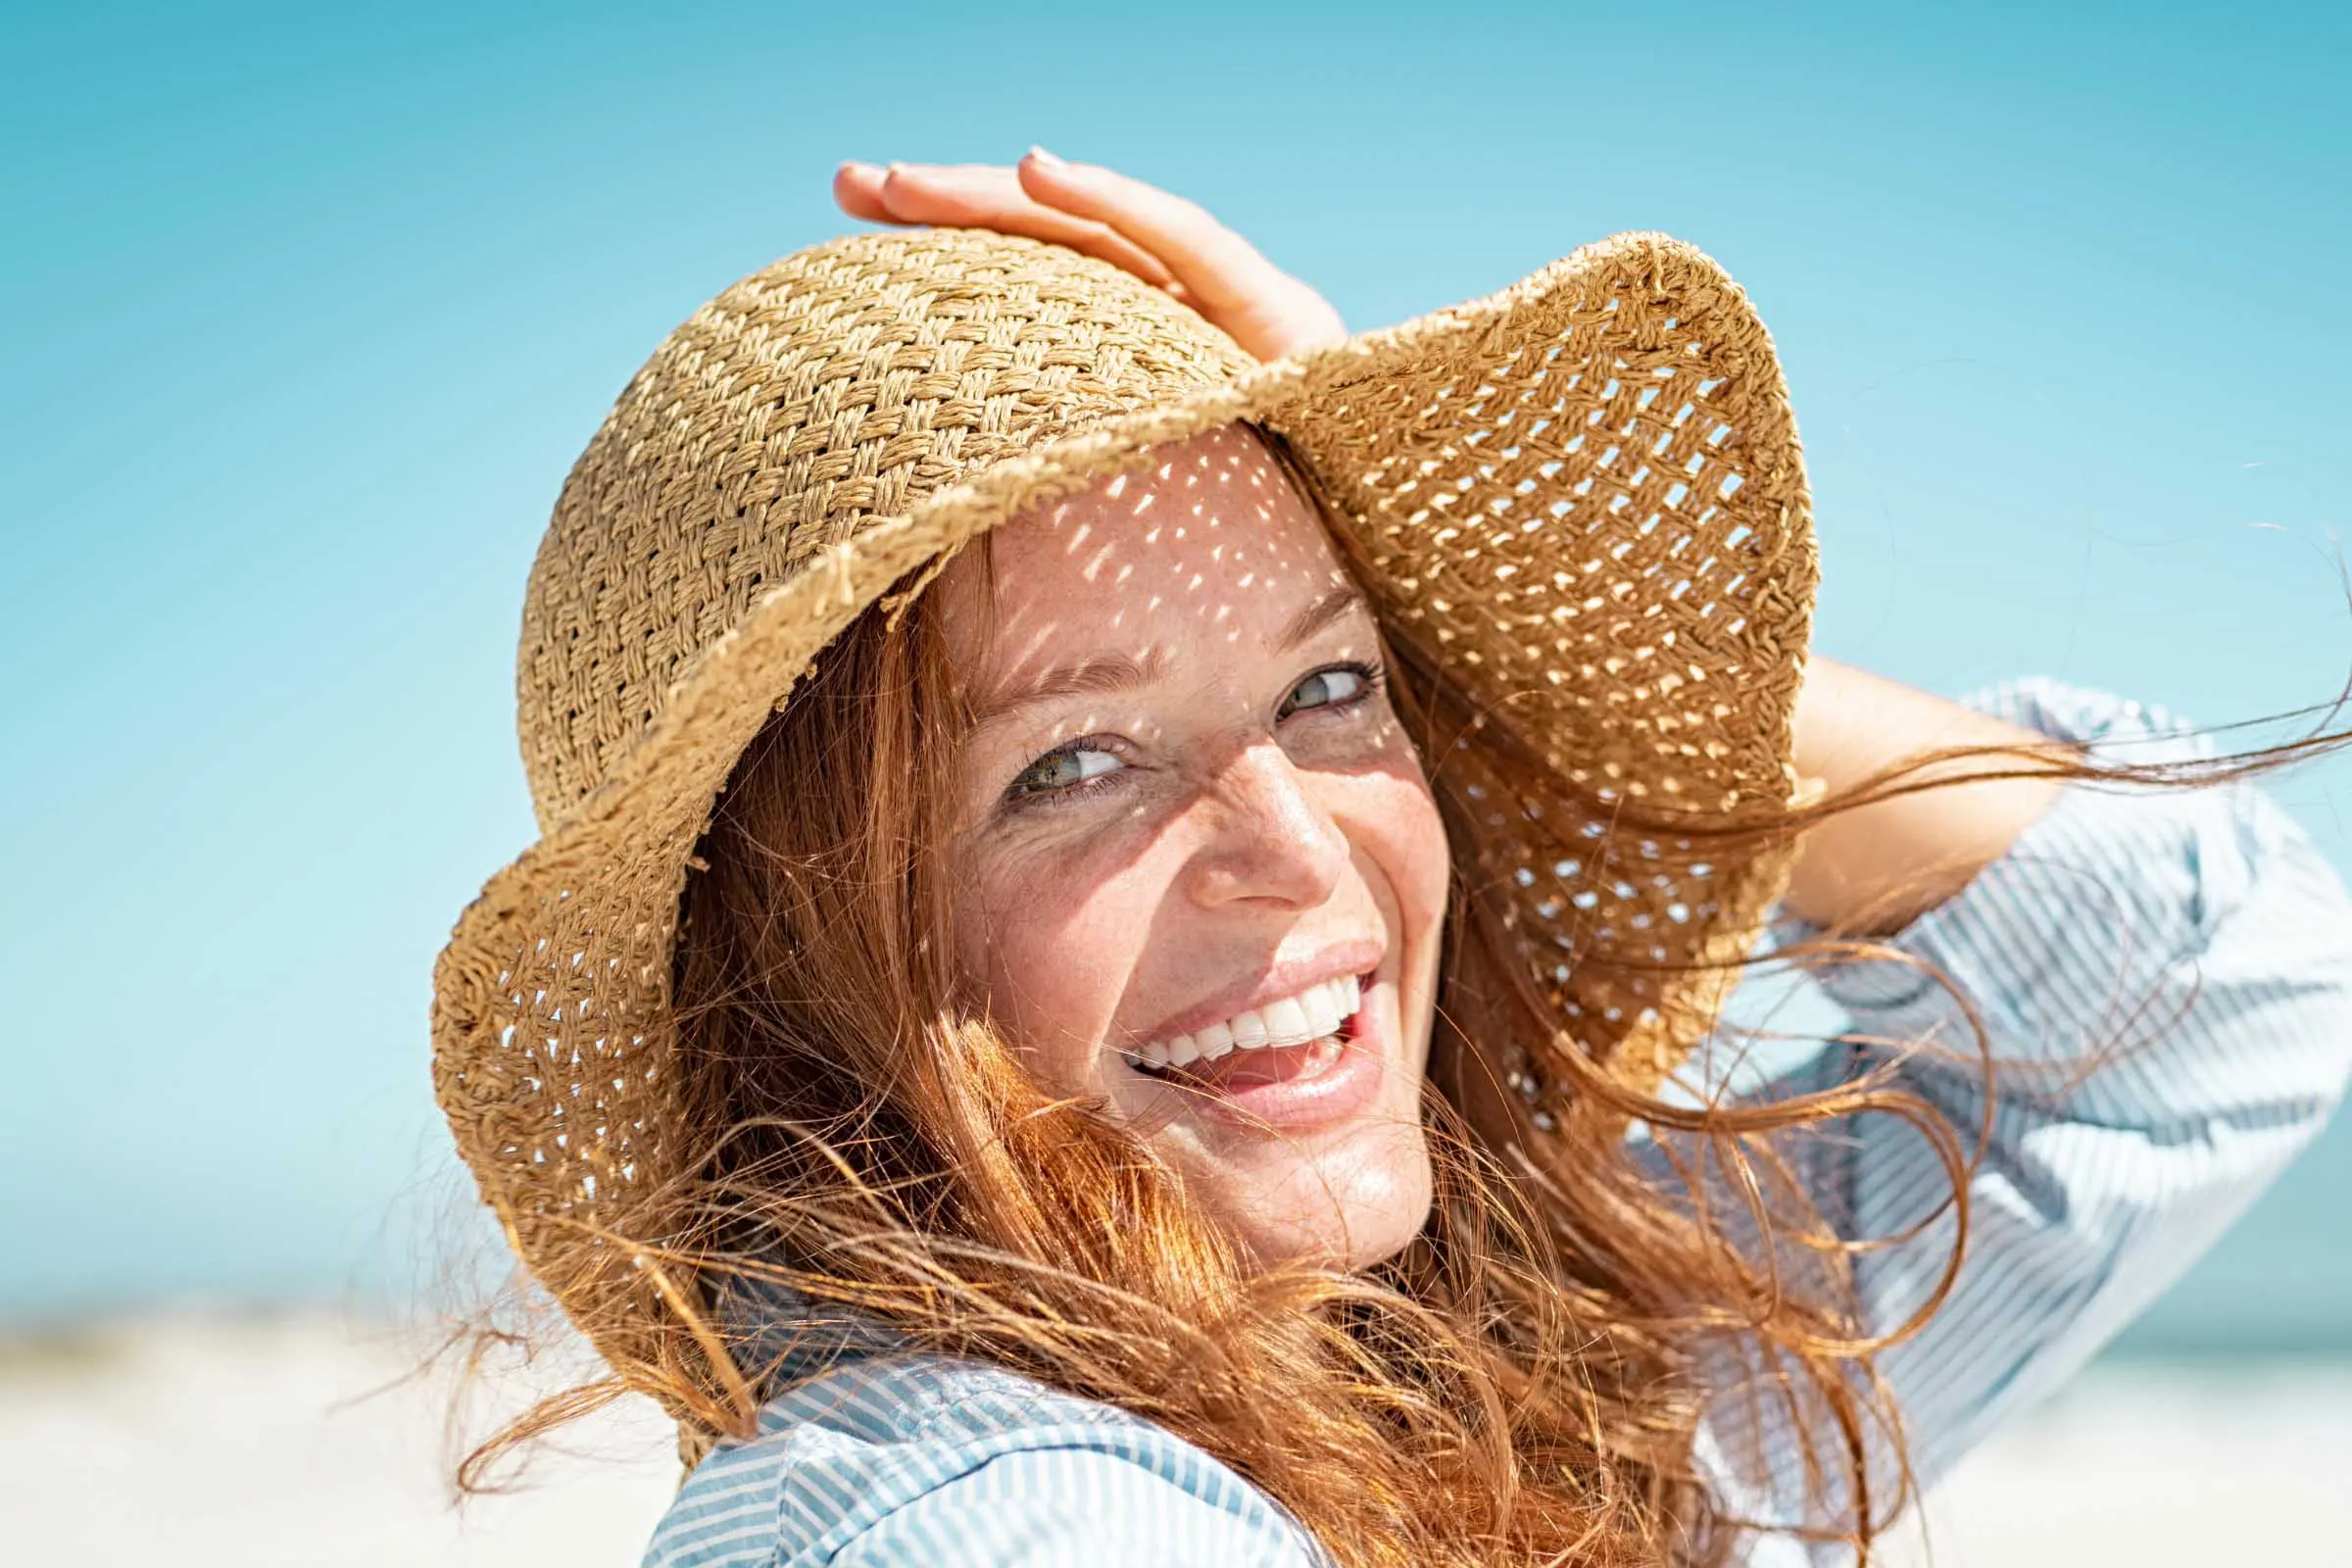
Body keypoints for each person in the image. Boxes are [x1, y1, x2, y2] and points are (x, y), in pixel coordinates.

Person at [430, 152, 2352, 1568]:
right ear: (797, 960)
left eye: (1338, 682)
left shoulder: (1501, 1378)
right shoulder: (983, 1513)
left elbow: (2227, 984)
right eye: (1076, 759)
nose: (1292, 846)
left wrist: (1515, 634)